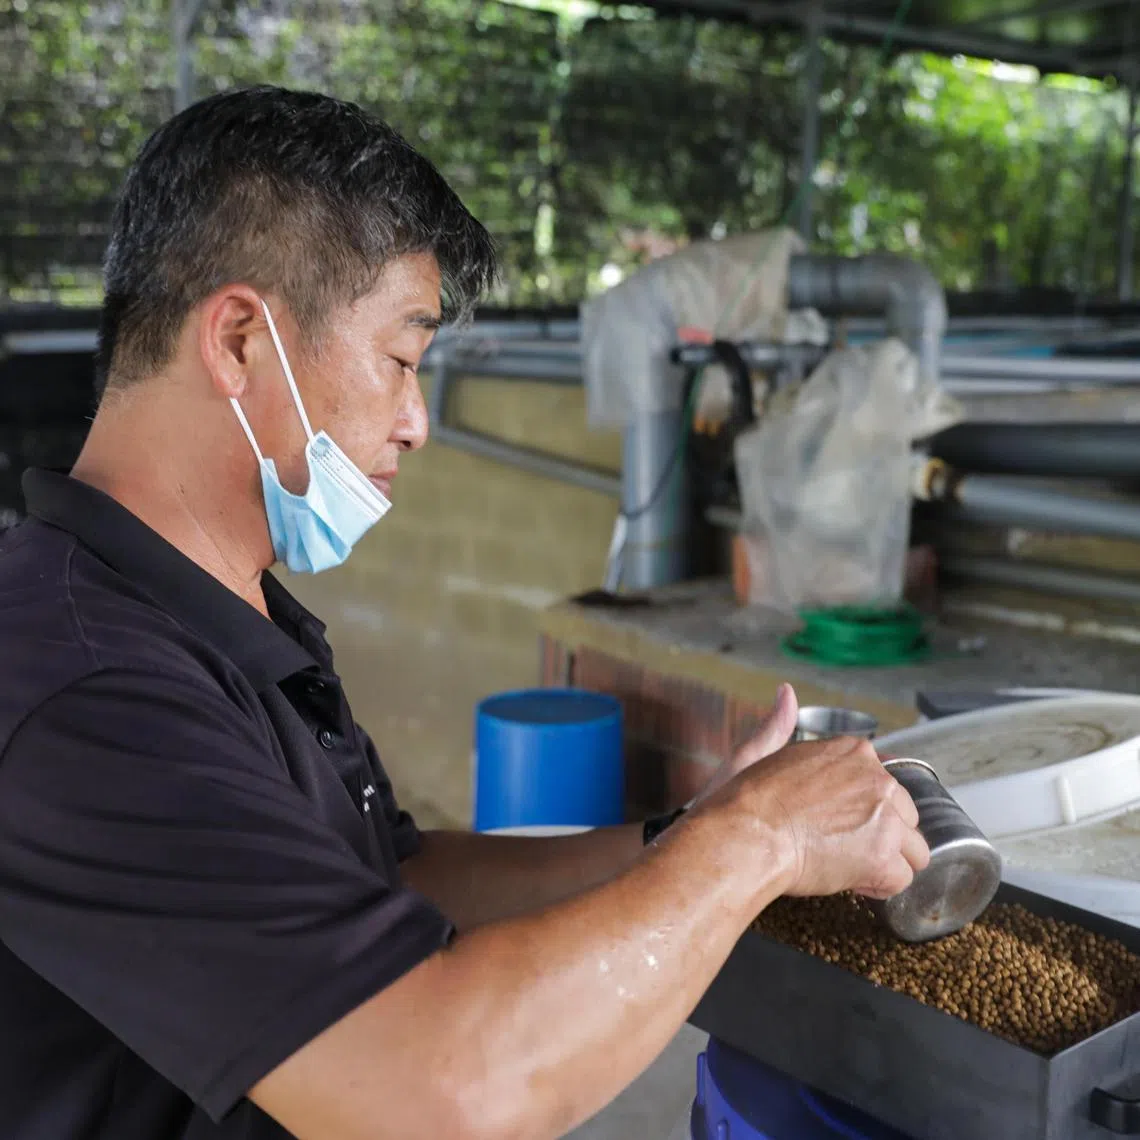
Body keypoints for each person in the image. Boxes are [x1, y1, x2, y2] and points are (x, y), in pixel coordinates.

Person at [0, 85, 929, 1140]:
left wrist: (688, 834)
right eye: (401, 359)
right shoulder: (82, 685)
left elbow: (394, 878)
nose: (418, 421)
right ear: (242, 342)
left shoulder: (224, 615)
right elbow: (438, 1093)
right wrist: (755, 844)